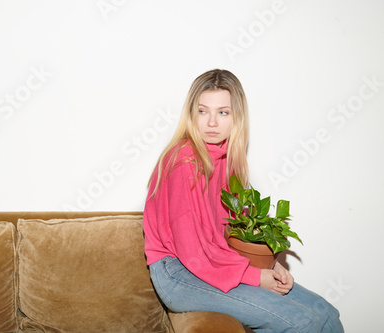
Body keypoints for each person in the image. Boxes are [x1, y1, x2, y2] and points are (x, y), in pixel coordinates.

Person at [142, 69, 344, 332]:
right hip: (179, 273)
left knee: (325, 313)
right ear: (191, 114)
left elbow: (235, 232)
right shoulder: (184, 161)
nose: (212, 122)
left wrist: (269, 265)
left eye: (223, 112)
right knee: (301, 322)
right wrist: (254, 276)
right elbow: (192, 253)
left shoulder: (229, 160)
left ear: (236, 116)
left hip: (215, 261)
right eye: (203, 111)